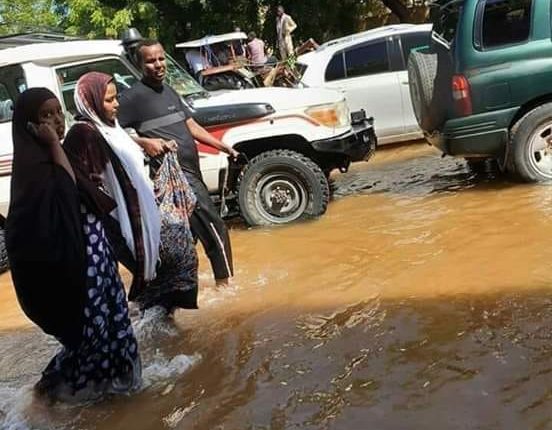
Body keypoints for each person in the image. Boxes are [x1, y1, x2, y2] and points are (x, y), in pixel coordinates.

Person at [6, 87, 141, 402]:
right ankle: (54, 393)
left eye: (57, 113)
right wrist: (54, 145)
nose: (55, 121)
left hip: (96, 263)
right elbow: (64, 196)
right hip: (76, 271)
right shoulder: (34, 170)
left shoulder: (62, 155)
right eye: (45, 116)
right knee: (90, 338)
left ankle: (121, 391)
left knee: (114, 325)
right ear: (28, 124)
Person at [65, 72, 198, 314]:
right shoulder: (82, 134)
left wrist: (144, 143)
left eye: (115, 98)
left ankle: (160, 329)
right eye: (109, 100)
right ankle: (155, 332)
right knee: (155, 275)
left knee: (169, 266)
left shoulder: (110, 128)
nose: (116, 104)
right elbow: (78, 181)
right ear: (91, 100)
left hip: (137, 213)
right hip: (116, 222)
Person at [118, 39, 238, 289]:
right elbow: (110, 132)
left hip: (192, 171)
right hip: (173, 177)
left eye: (161, 58)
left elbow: (190, 125)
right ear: (139, 64)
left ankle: (173, 292)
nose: (158, 64)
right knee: (213, 224)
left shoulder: (170, 91)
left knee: (184, 236)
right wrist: (144, 141)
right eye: (151, 61)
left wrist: (221, 145)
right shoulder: (131, 98)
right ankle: (226, 287)